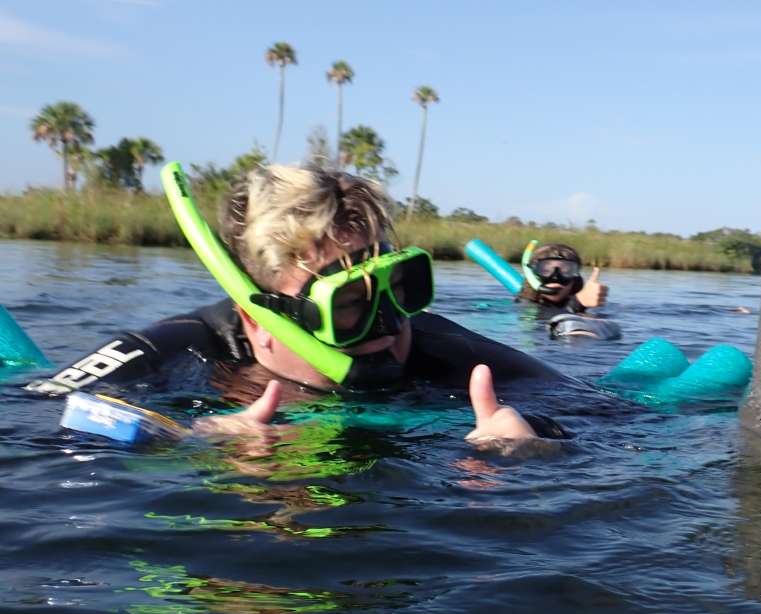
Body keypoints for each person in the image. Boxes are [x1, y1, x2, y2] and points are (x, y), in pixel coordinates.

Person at [27, 164, 567, 444]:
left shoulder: (443, 349)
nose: (389, 326)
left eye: (397, 286)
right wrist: (181, 444)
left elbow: (618, 420)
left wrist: (536, 445)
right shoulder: (177, 351)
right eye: (350, 304)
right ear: (259, 323)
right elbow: (34, 431)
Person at [516, 243, 608, 314]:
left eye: (566, 271)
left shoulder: (590, 306)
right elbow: (540, 318)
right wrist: (578, 303)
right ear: (533, 275)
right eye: (545, 270)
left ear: (575, 279)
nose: (555, 277)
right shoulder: (524, 305)